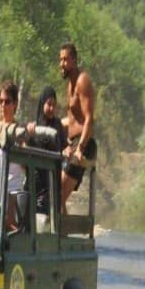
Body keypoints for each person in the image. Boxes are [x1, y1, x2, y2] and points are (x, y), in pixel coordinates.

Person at [59, 42, 96, 205]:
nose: (62, 64)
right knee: (54, 191)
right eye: (60, 60)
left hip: (84, 144)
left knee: (58, 194)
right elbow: (73, 119)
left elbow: (89, 119)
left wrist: (80, 148)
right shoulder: (70, 84)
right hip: (72, 144)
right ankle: (61, 229)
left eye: (65, 60)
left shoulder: (83, 81)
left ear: (74, 60)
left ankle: (59, 229)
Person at [26, 86, 68, 154]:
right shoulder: (34, 125)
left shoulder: (57, 125)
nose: (52, 108)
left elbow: (64, 146)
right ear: (42, 103)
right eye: (49, 104)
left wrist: (67, 150)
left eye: (54, 105)